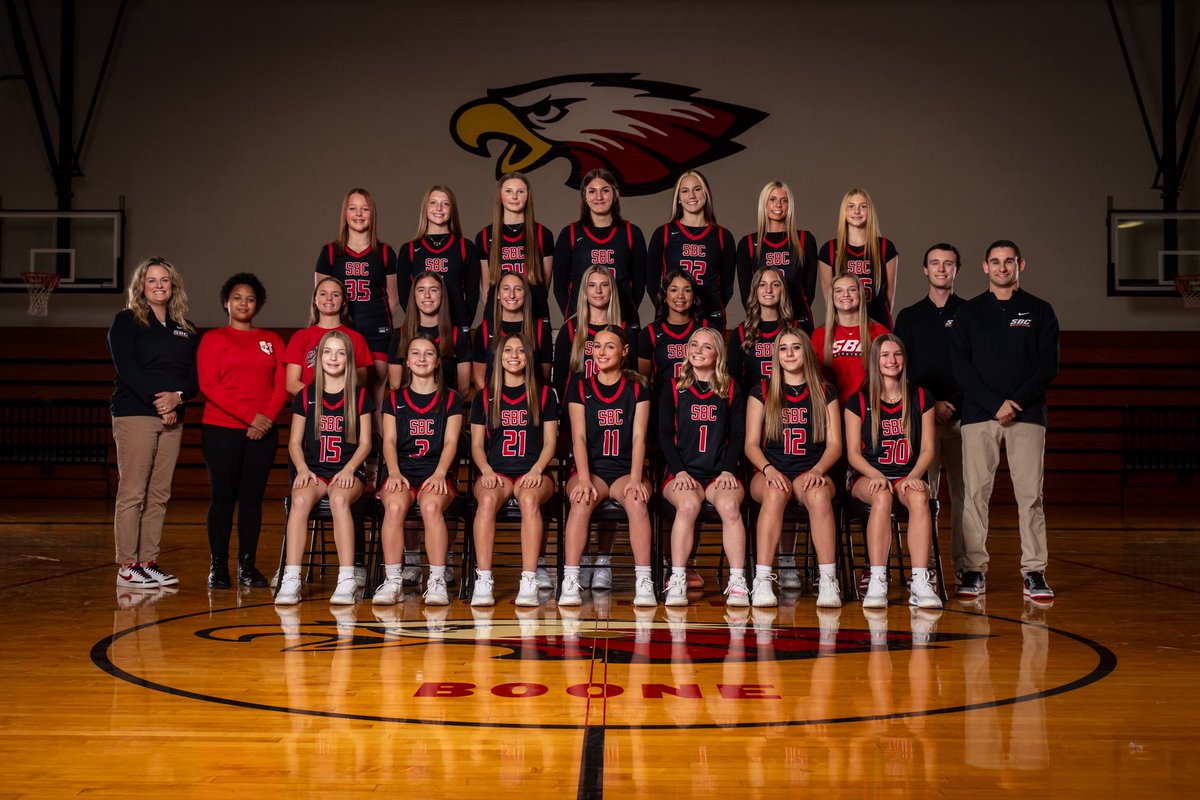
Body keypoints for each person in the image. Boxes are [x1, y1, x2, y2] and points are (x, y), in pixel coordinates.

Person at [952, 240, 1059, 601]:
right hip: (979, 415)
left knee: (1030, 496)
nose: (1001, 267)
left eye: (1008, 261)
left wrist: (1016, 402)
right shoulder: (969, 313)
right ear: (985, 267)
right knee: (975, 495)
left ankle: (1034, 572)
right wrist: (994, 403)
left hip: (1027, 415)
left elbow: (1048, 366)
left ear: (1020, 265)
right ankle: (973, 571)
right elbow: (959, 367)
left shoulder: (1040, 310)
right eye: (995, 262)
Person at [106, 257, 199, 588]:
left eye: (164, 280)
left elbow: (194, 377)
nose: (159, 285)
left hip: (174, 415)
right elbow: (127, 368)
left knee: (159, 493)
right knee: (133, 491)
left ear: (173, 285)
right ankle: (127, 566)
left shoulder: (185, 329)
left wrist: (178, 398)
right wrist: (160, 402)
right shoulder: (126, 321)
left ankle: (148, 561)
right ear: (141, 287)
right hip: (135, 413)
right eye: (151, 280)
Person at [197, 273, 288, 589]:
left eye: (249, 298)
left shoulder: (273, 340)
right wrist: (251, 417)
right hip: (222, 430)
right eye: (237, 297)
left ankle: (247, 566)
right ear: (226, 302)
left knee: (252, 499)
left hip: (263, 433)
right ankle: (218, 566)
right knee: (222, 498)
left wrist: (266, 419)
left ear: (257, 304)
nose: (243, 303)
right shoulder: (213, 339)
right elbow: (209, 385)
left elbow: (281, 385)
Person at [743, 328, 842, 608]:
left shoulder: (824, 391)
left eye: (796, 347)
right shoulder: (762, 389)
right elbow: (750, 444)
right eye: (783, 348)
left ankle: (827, 579)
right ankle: (763, 579)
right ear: (776, 355)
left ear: (806, 352)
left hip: (809, 470)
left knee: (820, 495)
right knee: (775, 494)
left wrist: (818, 471)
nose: (789, 353)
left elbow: (835, 444)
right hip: (770, 471)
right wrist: (768, 469)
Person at [275, 331, 374, 606]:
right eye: (328, 352)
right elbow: (294, 443)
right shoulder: (306, 396)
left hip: (349, 471)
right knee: (300, 499)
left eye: (340, 352)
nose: (333, 357)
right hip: (314, 470)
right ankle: (291, 577)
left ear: (349, 359)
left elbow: (366, 444)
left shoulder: (359, 396)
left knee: (340, 499)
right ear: (318, 358)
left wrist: (349, 469)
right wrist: (303, 469)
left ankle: (346, 577)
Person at [844, 335, 942, 610]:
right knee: (882, 498)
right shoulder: (858, 400)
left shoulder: (922, 397)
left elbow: (928, 449)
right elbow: (852, 453)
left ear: (904, 359)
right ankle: (877, 578)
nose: (891, 360)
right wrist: (875, 475)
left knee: (920, 498)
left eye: (897, 354)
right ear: (875, 361)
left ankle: (920, 581)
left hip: (905, 474)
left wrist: (914, 477)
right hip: (868, 475)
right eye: (885, 355)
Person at [561, 327, 655, 607]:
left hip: (626, 470)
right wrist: (584, 478)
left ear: (624, 351)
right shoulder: (580, 386)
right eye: (597, 346)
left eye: (609, 347)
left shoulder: (638, 387)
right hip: (592, 470)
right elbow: (577, 436)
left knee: (637, 500)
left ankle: (644, 580)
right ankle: (571, 579)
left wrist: (637, 478)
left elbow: (639, 437)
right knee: (580, 500)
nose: (601, 352)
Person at [372, 334, 465, 607]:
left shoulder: (451, 400)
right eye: (415, 353)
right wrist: (394, 472)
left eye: (428, 354)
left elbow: (451, 442)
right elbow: (388, 440)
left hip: (437, 472)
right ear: (407, 363)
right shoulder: (395, 399)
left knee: (431, 508)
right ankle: (393, 581)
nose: (421, 358)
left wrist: (439, 473)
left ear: (437, 362)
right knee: (394, 507)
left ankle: (436, 581)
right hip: (402, 471)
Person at [894, 244, 967, 585]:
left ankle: (966, 567)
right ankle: (930, 567)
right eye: (935, 263)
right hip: (923, 418)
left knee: (967, 498)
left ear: (957, 270)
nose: (941, 269)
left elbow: (977, 366)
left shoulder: (970, 313)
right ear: (924, 270)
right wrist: (931, 403)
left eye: (948, 264)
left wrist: (953, 401)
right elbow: (900, 369)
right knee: (926, 496)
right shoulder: (909, 316)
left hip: (964, 417)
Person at [659, 328, 747, 607]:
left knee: (731, 509)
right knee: (686, 507)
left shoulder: (731, 388)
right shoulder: (674, 387)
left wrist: (728, 470)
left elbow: (738, 435)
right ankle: (678, 578)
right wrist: (679, 471)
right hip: (682, 472)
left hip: (718, 473)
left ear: (718, 353)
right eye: (693, 344)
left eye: (706, 347)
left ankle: (737, 581)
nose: (697, 350)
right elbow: (662, 434)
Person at [470, 334, 559, 607]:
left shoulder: (544, 394)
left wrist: (537, 469)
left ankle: (529, 579)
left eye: (521, 350)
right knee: (485, 500)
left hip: (533, 471)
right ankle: (483, 580)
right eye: (508, 350)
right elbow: (475, 444)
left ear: (529, 357)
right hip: (496, 471)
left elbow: (551, 442)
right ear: (499, 357)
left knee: (530, 499)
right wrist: (485, 470)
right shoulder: (484, 396)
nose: (514, 355)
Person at [314, 188, 400, 415]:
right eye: (353, 208)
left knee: (376, 397)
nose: (359, 214)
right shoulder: (331, 252)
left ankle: (380, 448)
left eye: (365, 209)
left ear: (373, 214)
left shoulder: (384, 252)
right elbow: (320, 296)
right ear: (345, 213)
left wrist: (378, 322)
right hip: (343, 330)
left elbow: (393, 299)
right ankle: (349, 446)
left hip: (377, 331)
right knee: (344, 394)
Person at [552, 168, 647, 323]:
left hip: (620, 321)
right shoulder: (569, 234)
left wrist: (625, 313)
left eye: (605, 190)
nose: (599, 197)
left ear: (615, 193)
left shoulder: (632, 233)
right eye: (592, 191)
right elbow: (560, 288)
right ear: (584, 196)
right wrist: (574, 317)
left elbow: (639, 285)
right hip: (582, 322)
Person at [647, 170, 736, 330]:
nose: (692, 195)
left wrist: (711, 304)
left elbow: (727, 286)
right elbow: (652, 283)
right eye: (685, 191)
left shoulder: (723, 236)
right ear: (678, 198)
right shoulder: (664, 233)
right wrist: (669, 307)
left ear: (706, 193)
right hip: (673, 316)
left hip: (710, 315)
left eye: (697, 189)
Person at [736, 181, 818, 332]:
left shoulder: (805, 240)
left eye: (784, 200)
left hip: (799, 320)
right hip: (763, 323)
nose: (778, 205)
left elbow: (809, 291)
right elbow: (747, 295)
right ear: (764, 204)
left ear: (790, 205)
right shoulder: (747, 243)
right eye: (772, 199)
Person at [397, 185, 481, 330]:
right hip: (421, 329)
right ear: (425, 207)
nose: (439, 208)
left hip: (456, 327)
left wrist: (464, 323)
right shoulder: (409, 249)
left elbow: (473, 293)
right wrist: (419, 322)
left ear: (452, 209)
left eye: (445, 204)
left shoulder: (465, 247)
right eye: (433, 202)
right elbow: (405, 295)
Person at [476, 172, 554, 324]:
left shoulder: (542, 234)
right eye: (508, 191)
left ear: (528, 196)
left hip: (534, 312)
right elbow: (487, 287)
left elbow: (544, 284)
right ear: (500, 195)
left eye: (520, 191)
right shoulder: (485, 236)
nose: (514, 196)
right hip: (497, 315)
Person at [819, 188, 898, 329]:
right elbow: (829, 300)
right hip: (845, 327)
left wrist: (879, 327)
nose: (857, 211)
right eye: (851, 206)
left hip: (878, 324)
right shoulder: (829, 249)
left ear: (870, 212)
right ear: (844, 211)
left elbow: (889, 299)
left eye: (863, 206)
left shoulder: (885, 247)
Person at [553, 264, 637, 397]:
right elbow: (559, 378)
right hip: (576, 409)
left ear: (612, 290)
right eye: (592, 285)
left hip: (613, 408)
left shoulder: (624, 330)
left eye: (604, 285)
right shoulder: (569, 329)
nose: (598, 290)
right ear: (584, 291)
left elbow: (631, 377)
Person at [284, 277, 372, 395]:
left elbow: (361, 381)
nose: (329, 298)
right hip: (311, 404)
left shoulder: (355, 338)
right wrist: (321, 400)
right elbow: (292, 383)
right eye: (323, 294)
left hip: (344, 405)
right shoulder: (300, 337)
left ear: (344, 301)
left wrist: (336, 400)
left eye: (335, 295)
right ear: (315, 299)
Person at [388, 271, 470, 396]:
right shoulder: (400, 335)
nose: (427, 295)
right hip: (408, 412)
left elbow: (463, 388)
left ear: (442, 295)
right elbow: (395, 385)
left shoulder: (456, 335)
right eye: (421, 290)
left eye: (433, 290)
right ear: (414, 296)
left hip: (445, 411)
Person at [812, 274, 888, 404]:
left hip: (869, 408)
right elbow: (813, 378)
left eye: (852, 289)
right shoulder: (820, 335)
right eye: (839, 290)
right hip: (832, 408)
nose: (845, 294)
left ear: (860, 294)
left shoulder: (879, 331)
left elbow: (889, 376)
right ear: (832, 297)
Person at [472, 271, 552, 389]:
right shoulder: (484, 330)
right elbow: (479, 378)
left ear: (525, 294)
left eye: (518, 289)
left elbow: (544, 377)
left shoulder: (540, 329)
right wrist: (493, 403)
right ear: (498, 294)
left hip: (530, 402)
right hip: (494, 403)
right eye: (506, 289)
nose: (512, 295)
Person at [728, 266, 794, 389]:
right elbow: (733, 381)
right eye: (762, 285)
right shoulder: (741, 332)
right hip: (752, 404)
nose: (768, 290)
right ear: (755, 290)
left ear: (782, 290)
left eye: (775, 285)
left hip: (787, 403)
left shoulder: (794, 329)